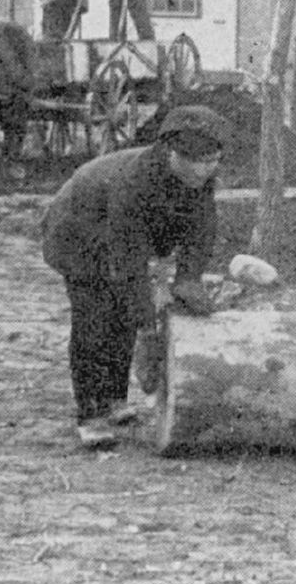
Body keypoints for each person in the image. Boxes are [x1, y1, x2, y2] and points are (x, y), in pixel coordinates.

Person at [39, 104, 232, 449]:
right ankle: (90, 413)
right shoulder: (134, 184)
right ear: (172, 153)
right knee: (95, 318)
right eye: (199, 162)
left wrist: (188, 279)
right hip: (78, 233)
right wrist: (148, 325)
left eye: (213, 161)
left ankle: (114, 399)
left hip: (121, 239)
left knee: (122, 317)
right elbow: (130, 265)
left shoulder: (198, 179)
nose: (207, 169)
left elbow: (202, 228)